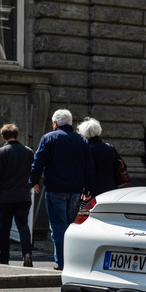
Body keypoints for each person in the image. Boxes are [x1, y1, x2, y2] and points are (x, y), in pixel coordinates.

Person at [30, 109, 95, 270]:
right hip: (75, 190)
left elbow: (38, 161)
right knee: (70, 225)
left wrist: (33, 180)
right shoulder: (81, 141)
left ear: (55, 123)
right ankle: (71, 261)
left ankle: (62, 262)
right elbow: (89, 166)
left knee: (58, 227)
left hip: (56, 188)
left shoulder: (49, 138)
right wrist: (88, 188)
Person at [0, 124, 35, 266]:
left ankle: (4, 258)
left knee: (5, 228)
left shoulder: (1, 152)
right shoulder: (28, 152)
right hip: (23, 196)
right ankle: (27, 253)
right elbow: (33, 172)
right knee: (23, 226)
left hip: (6, 198)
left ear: (3, 137)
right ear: (17, 135)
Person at [77, 117, 124, 196]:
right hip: (111, 190)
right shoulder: (110, 147)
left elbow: (87, 172)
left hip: (93, 192)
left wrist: (86, 191)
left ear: (85, 134)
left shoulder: (86, 150)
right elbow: (121, 166)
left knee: (86, 208)